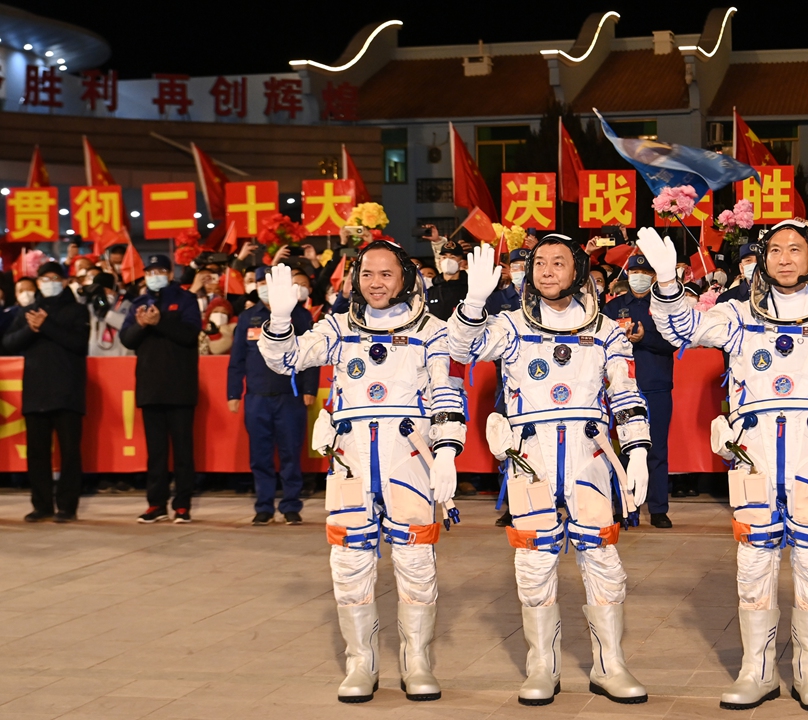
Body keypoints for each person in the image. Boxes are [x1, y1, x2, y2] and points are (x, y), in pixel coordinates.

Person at [638, 220, 808, 712]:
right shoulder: (736, 314)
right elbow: (682, 328)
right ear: (762, 259)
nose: (785, 258)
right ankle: (758, 670)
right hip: (755, 459)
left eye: (795, 249)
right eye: (775, 250)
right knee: (753, 565)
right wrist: (667, 284)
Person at [447, 236, 651, 707]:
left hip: (591, 456)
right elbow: (462, 346)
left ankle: (610, 665)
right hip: (531, 459)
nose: (546, 271)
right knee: (534, 562)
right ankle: (543, 665)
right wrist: (474, 302)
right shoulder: (510, 325)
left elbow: (625, 392)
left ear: (578, 271)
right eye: (539, 262)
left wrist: (637, 449)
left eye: (559, 263)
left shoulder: (606, 330)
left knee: (602, 559)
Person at [259, 239, 465, 704]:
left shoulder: (431, 330)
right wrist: (278, 319)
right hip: (351, 459)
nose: (376, 283)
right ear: (355, 278)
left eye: (386, 274)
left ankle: (417, 662)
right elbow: (285, 359)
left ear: (406, 278)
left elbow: (448, 391)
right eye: (367, 274)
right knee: (349, 563)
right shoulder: (337, 327)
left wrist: (449, 449)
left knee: (415, 562)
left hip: (409, 457)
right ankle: (361, 662)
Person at [228, 267, 319, 526]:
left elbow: (311, 356)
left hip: (289, 396)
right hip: (256, 397)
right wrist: (234, 392)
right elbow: (237, 359)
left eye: (265, 281)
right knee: (260, 455)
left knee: (291, 453)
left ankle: (291, 505)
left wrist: (309, 389)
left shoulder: (299, 315)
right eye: (258, 282)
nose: (262, 286)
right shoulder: (248, 317)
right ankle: (264, 506)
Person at [3, 262, 89, 522]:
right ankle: (41, 504)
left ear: (64, 282)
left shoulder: (77, 310)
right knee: (37, 452)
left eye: (54, 278)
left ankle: (67, 506)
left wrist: (47, 325)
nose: (49, 283)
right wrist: (31, 328)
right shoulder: (27, 312)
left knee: (70, 452)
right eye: (44, 278)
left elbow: (78, 344)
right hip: (36, 390)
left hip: (68, 390)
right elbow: (6, 344)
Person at [119, 254, 202, 524]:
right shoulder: (139, 304)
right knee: (155, 452)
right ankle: (155, 504)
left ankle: (182, 504)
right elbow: (127, 339)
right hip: (150, 388)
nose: (154, 275)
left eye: (159, 271)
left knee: (182, 451)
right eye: (149, 271)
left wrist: (160, 322)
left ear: (169, 274)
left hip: (179, 388)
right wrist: (142, 324)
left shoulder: (186, 299)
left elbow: (189, 334)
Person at [603, 254, 677, 527]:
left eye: (645, 271)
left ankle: (658, 509)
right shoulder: (613, 308)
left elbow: (673, 342)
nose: (639, 275)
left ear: (654, 275)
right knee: (623, 448)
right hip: (622, 389)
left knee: (656, 448)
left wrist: (646, 338)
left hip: (655, 384)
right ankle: (624, 507)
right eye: (635, 270)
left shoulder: (663, 307)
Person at [84, 273, 133, 357]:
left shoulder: (127, 303)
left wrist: (106, 314)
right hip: (95, 357)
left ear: (114, 289)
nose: (104, 294)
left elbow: (128, 325)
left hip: (121, 356)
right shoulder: (91, 306)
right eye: (100, 291)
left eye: (106, 290)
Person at [426, 240, 468, 320]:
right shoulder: (430, 288)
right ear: (439, 262)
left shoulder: (470, 288)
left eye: (452, 257)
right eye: (444, 257)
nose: (447, 261)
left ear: (461, 263)